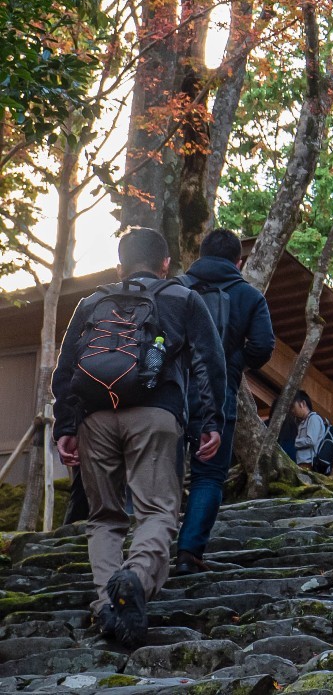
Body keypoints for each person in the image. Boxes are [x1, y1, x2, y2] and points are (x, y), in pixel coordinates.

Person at [52, 227, 225, 647]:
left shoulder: (92, 302)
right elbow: (208, 362)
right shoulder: (182, 297)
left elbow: (67, 369)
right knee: (157, 512)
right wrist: (211, 421)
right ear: (166, 263)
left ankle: (107, 605)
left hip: (95, 418)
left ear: (120, 264)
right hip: (155, 414)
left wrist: (67, 426)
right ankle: (136, 578)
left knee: (105, 518)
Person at [175, 226, 275, 574]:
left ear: (198, 256)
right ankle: (188, 553)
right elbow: (263, 345)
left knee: (164, 469)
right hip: (218, 395)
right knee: (208, 476)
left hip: (169, 393)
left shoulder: (176, 289)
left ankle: (149, 549)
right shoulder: (249, 296)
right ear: (239, 260)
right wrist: (231, 366)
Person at [285, 392, 329, 468]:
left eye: (293, 406)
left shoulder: (313, 418)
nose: (292, 410)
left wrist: (295, 442)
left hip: (309, 463)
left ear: (302, 403)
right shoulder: (303, 422)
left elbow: (311, 440)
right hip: (302, 463)